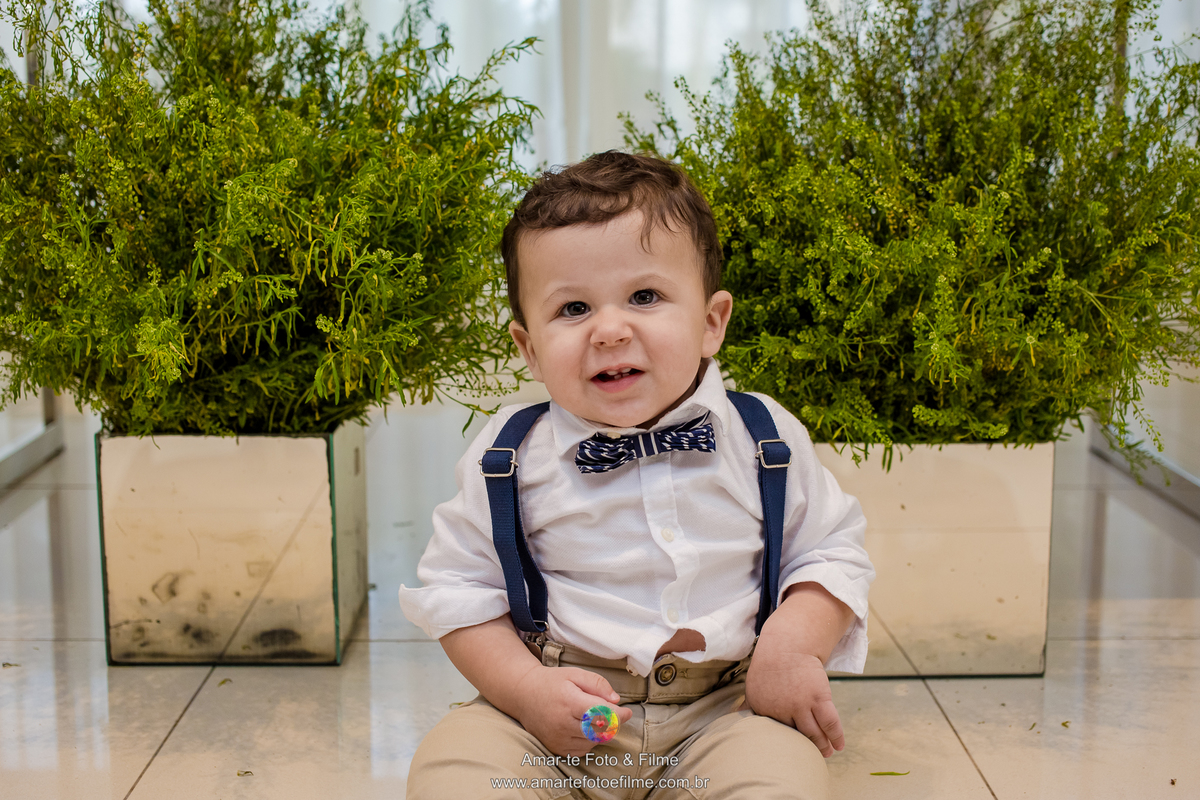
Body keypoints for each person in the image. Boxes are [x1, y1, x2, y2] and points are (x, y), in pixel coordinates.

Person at [399, 151, 874, 800]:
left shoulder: (762, 436)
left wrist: (792, 647)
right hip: (558, 717)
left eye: (644, 296)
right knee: (453, 774)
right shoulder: (508, 455)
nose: (610, 330)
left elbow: (829, 550)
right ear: (529, 349)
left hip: (724, 712)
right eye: (572, 309)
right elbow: (458, 590)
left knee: (780, 783)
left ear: (711, 323)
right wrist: (527, 691)